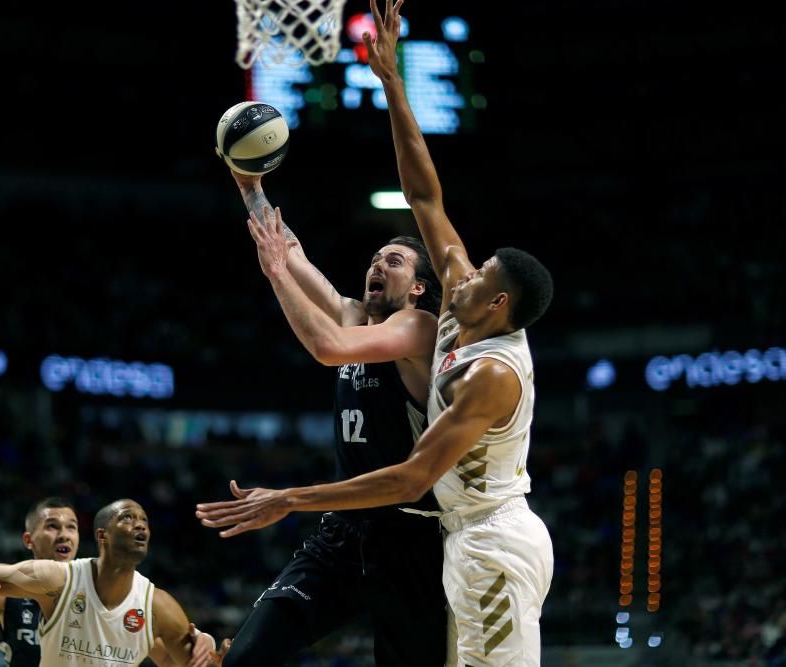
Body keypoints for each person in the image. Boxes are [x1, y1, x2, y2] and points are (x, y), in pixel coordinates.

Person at [196, 2, 556, 665]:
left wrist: (289, 498)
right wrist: (392, 81)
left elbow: (413, 472)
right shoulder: (453, 302)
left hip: (464, 532)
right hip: (367, 528)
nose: (463, 269)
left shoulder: (484, 368)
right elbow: (424, 197)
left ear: (498, 302)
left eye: (478, 274)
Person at [213, 169, 448, 666]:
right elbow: (291, 251)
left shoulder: (419, 329)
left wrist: (275, 274)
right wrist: (251, 189)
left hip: (411, 539)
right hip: (342, 534)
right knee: (245, 657)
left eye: (395, 260)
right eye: (375, 259)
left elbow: (327, 348)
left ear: (419, 288)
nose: (377, 264)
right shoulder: (353, 315)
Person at [0, 499, 223, 667]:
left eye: (71, 527)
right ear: (29, 540)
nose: (64, 533)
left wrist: (201, 639)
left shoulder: (120, 593)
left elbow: (167, 654)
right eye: (52, 526)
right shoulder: (5, 593)